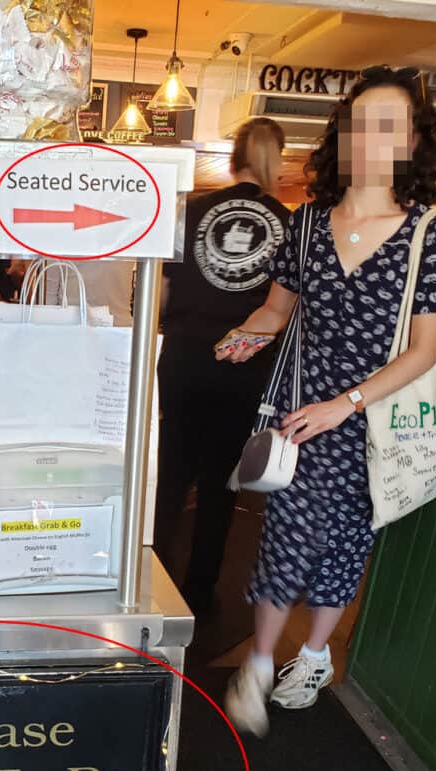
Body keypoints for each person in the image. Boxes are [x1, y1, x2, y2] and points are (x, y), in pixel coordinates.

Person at [221, 67, 436, 737]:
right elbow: (276, 308)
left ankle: (313, 654)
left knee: (346, 544)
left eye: (390, 126)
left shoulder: (430, 233)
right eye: (361, 124)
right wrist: (244, 336)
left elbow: (425, 350)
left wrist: (346, 405)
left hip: (371, 419)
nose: (373, 139)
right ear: (342, 136)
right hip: (301, 416)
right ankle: (261, 662)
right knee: (288, 534)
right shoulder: (309, 221)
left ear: (412, 140)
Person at [154, 118, 289, 616]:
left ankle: (154, 582)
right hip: (245, 368)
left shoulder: (189, 211)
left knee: (169, 477)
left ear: (232, 158)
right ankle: (200, 594)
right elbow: (287, 312)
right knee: (219, 487)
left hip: (184, 357)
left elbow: (160, 293)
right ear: (275, 159)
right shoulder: (289, 222)